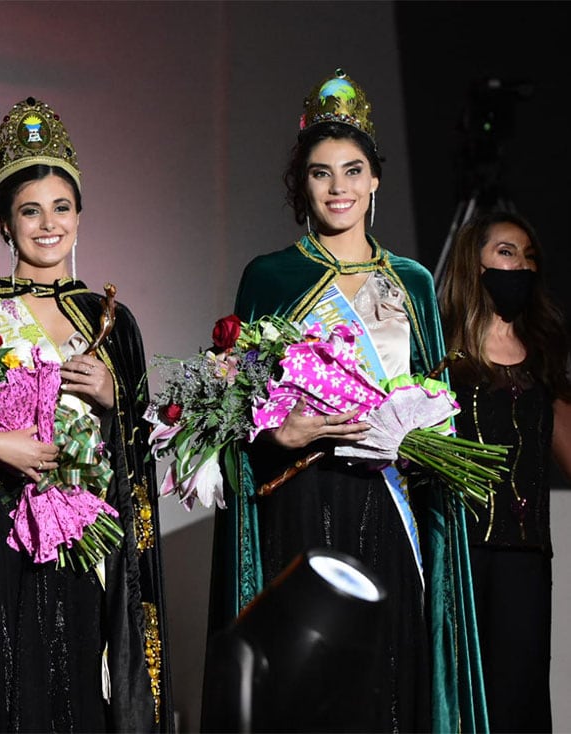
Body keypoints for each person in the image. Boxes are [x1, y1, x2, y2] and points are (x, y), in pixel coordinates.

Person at [203, 70, 487, 732]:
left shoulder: (412, 282)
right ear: (300, 185)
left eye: (353, 171)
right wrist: (282, 434)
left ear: (376, 180)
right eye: (322, 173)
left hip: (388, 504)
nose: (339, 188)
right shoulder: (269, 277)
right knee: (301, 682)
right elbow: (233, 410)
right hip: (300, 495)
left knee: (385, 674)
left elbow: (436, 399)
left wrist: (423, 443)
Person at [0, 97, 170, 732]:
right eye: (30, 211)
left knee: (72, 690)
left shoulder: (110, 320)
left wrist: (115, 397)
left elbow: (140, 443)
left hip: (80, 542)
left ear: (80, 216)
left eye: (62, 208)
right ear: (5, 223)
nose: (49, 225)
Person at [440, 210, 571, 732]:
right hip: (458, 554)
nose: (521, 265)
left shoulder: (542, 357)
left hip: (525, 559)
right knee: (460, 697)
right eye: (507, 252)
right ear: (475, 263)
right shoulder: (443, 354)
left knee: (518, 702)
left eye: (530, 257)